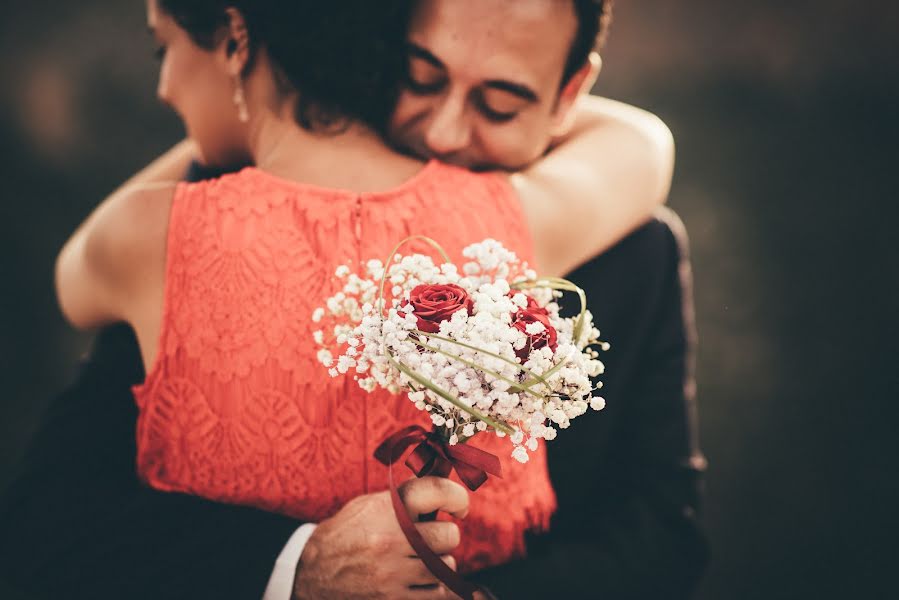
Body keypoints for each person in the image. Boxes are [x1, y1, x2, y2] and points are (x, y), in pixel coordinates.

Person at [0, 1, 707, 599]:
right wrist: (295, 566)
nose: (442, 133)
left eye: (500, 103)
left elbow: (662, 546)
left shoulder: (631, 250)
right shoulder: (533, 215)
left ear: (569, 93)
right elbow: (51, 529)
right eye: (417, 78)